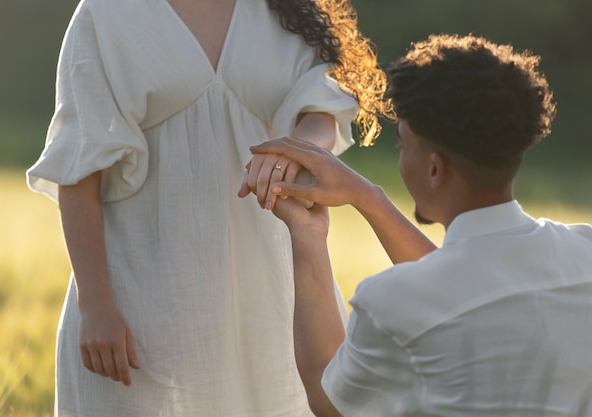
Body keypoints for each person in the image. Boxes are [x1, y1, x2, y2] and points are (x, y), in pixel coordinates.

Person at [26, 0, 388, 415]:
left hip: (268, 296)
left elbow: (323, 107)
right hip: (137, 304)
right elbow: (79, 168)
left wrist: (297, 150)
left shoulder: (285, 9)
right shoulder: (107, 13)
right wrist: (96, 306)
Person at [249, 34, 592, 416]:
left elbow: (329, 398)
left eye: (401, 144)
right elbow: (465, 284)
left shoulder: (391, 301)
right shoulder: (585, 254)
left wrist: (308, 234)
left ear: (434, 168)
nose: (400, 156)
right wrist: (369, 198)